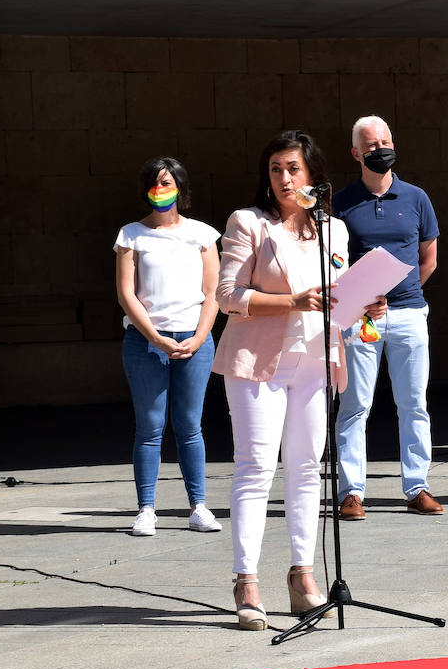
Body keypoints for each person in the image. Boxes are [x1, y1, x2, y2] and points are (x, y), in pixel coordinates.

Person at [213, 130, 352, 631]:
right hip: (257, 361)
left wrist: (364, 305)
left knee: (307, 469)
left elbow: (339, 296)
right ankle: (246, 581)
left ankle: (303, 576)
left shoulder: (333, 229)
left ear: (313, 173)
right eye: (275, 169)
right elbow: (228, 295)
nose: (285, 178)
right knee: (255, 467)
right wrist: (292, 302)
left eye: (293, 168)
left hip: (315, 360)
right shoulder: (248, 223)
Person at [333, 115, 443, 519]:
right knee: (355, 405)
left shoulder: (416, 198)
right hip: (359, 319)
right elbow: (331, 262)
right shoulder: (340, 203)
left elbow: (427, 258)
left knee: (414, 403)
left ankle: (417, 487)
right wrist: (360, 299)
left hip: (410, 313)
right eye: (371, 143)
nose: (380, 148)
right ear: (356, 153)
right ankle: (352, 492)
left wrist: (401, 290)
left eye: (385, 140)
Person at [114, 157, 222, 537]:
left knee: (190, 424)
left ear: (180, 186)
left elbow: (213, 293)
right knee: (150, 426)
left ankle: (199, 506)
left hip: (194, 337)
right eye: (155, 183)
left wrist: (197, 335)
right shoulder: (131, 235)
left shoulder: (203, 234)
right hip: (146, 341)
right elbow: (127, 293)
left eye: (168, 182)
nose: (161, 190)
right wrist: (155, 337)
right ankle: (146, 508)